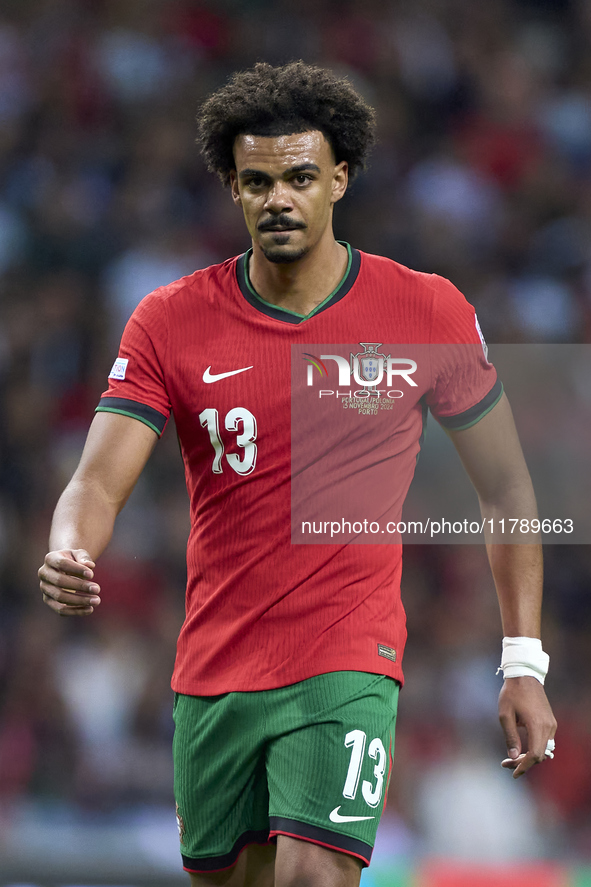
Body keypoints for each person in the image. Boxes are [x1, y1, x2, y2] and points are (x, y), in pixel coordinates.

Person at [38, 62, 556, 887]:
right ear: (233, 191)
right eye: (256, 181)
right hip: (215, 670)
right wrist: (72, 546)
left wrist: (522, 661)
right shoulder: (170, 319)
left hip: (348, 657)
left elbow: (506, 489)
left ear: (339, 179)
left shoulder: (424, 311)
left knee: (315, 877)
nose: (278, 197)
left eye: (300, 177)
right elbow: (99, 479)